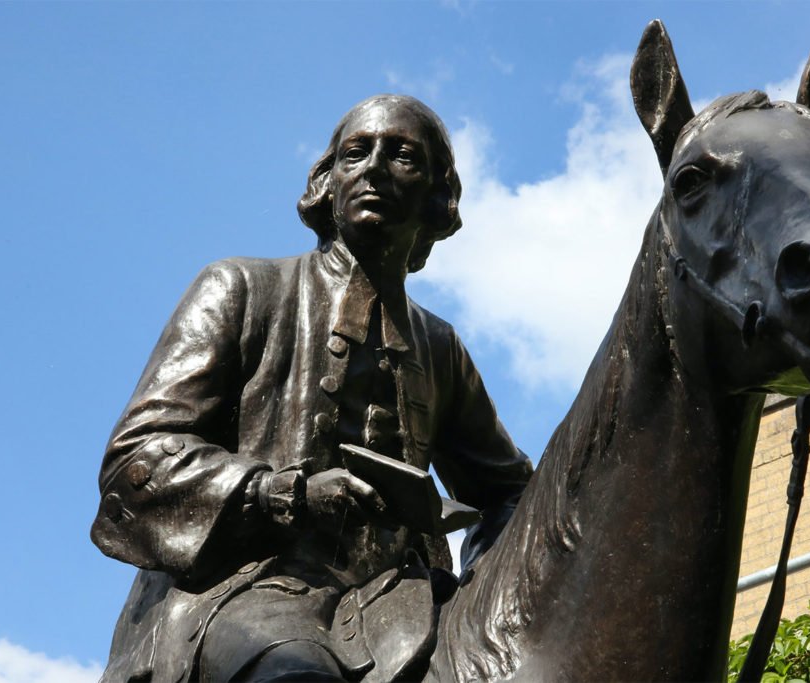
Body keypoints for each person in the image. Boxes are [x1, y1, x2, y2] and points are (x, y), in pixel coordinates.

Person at [91, 95, 532, 682]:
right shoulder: (242, 288)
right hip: (244, 589)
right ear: (327, 183)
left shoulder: (440, 348)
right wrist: (281, 494)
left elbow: (511, 495)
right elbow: (136, 460)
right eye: (356, 153)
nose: (374, 168)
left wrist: (487, 591)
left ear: (436, 195)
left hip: (403, 609)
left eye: (401, 155)